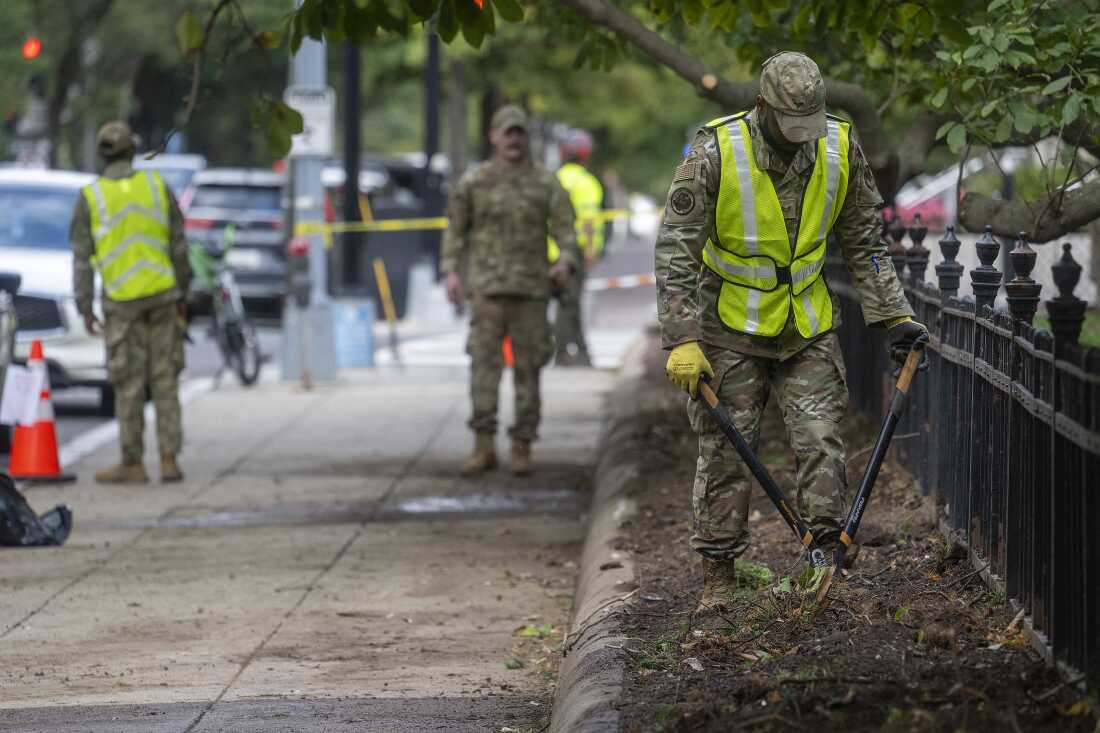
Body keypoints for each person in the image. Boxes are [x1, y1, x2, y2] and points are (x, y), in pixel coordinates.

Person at [655, 52, 928, 611]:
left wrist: (894, 315)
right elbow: (675, 250)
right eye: (789, 125)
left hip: (806, 322)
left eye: (809, 123)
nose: (801, 137)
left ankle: (824, 558)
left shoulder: (838, 144)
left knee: (821, 442)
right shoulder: (715, 151)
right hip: (728, 324)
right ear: (763, 106)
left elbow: (865, 242)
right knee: (726, 454)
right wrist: (682, 337)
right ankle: (719, 575)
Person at [442, 105, 577, 477]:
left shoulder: (545, 183)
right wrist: (451, 272)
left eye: (519, 133)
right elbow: (455, 231)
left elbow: (565, 229)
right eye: (508, 132)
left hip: (532, 290)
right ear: (494, 136)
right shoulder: (473, 182)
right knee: (483, 368)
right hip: (486, 290)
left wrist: (564, 260)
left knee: (528, 371)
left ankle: (522, 446)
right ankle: (483, 446)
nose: (514, 139)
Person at [71, 121, 191, 484]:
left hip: (121, 302)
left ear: (101, 154)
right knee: (164, 377)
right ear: (133, 150)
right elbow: (179, 245)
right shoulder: (157, 186)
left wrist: (84, 305)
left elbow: (81, 258)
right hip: (162, 294)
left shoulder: (91, 197)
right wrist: (183, 294)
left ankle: (133, 462)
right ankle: (169, 459)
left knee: (129, 382)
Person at [549, 128, 604, 366]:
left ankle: (581, 350)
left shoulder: (554, 178)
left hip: (549, 250)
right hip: (575, 252)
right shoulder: (587, 183)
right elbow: (590, 220)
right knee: (568, 303)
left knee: (566, 302)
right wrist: (591, 248)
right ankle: (562, 352)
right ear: (585, 154)